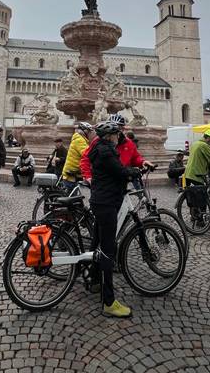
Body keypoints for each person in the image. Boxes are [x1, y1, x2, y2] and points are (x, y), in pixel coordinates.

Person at [88, 120, 134, 318]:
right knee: (108, 251)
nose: (119, 137)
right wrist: (134, 171)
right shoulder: (106, 152)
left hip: (101, 201)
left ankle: (94, 280)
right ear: (110, 136)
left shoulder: (99, 148)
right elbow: (120, 171)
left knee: (97, 244)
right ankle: (109, 302)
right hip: (107, 204)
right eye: (117, 134)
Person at [61, 122, 93, 190]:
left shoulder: (80, 139)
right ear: (84, 131)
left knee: (74, 196)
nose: (90, 134)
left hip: (74, 173)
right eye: (89, 131)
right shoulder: (79, 140)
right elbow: (88, 154)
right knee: (71, 198)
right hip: (71, 175)